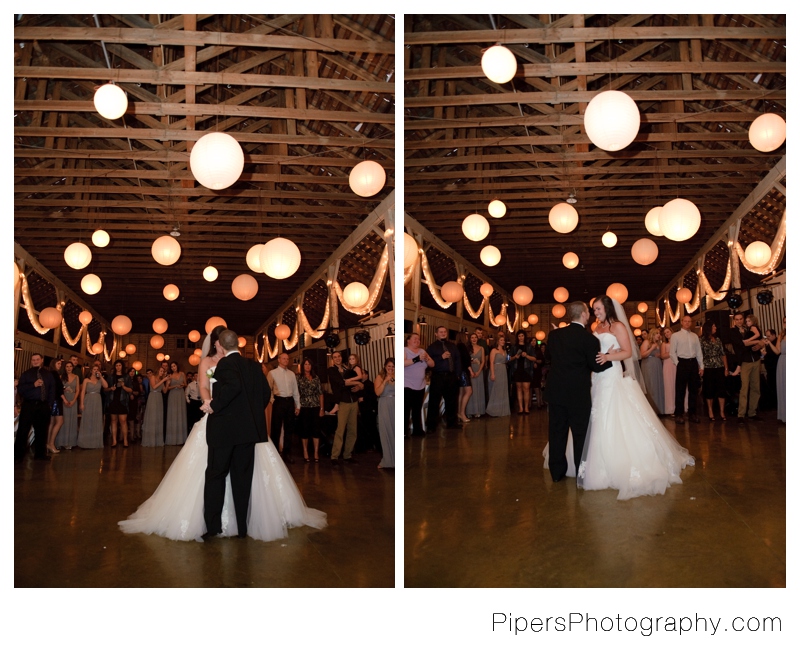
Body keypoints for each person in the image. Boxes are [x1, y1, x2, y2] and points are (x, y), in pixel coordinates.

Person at [119, 327, 326, 542]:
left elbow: (233, 387)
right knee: (243, 478)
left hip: (223, 429)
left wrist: (214, 406)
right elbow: (265, 393)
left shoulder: (226, 364)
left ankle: (213, 526)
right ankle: (243, 528)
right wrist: (251, 414)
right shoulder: (254, 365)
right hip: (249, 431)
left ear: (220, 345)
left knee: (216, 475)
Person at [576, 296, 695, 499]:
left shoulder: (619, 326)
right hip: (597, 376)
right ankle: (598, 461)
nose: (595, 313)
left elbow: (628, 353)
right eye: (593, 310)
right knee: (596, 415)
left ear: (607, 308)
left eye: (598, 309)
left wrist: (607, 356)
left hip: (611, 373)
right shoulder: (596, 326)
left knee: (612, 414)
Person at [544, 302, 611, 481]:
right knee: (581, 434)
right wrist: (611, 359)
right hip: (578, 393)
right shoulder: (589, 339)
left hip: (556, 391)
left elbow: (547, 358)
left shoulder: (554, 335)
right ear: (583, 314)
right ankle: (582, 474)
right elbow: (596, 367)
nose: (589, 313)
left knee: (557, 432)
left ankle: (557, 474)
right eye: (588, 311)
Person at [15, 353, 56, 461]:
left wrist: (50, 404)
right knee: (23, 430)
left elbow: (52, 389)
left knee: (42, 431)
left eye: (37, 359)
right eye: (33, 360)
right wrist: (33, 385)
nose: (35, 361)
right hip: (29, 405)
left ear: (42, 360)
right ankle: (17, 456)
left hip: (43, 406)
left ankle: (40, 454)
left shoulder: (48, 374)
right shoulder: (26, 374)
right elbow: (20, 389)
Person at [328, 350, 363, 464]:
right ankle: (334, 456)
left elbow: (359, 380)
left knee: (353, 430)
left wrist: (359, 386)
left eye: (339, 356)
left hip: (353, 401)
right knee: (340, 430)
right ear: (333, 359)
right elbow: (341, 383)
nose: (337, 358)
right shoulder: (332, 370)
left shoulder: (348, 369)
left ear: (341, 358)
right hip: (342, 402)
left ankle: (347, 454)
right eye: (335, 357)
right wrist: (357, 384)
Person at [729, 312, 763, 423]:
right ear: (734, 320)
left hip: (756, 360)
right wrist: (757, 341)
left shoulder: (749, 328)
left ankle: (752, 412)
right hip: (744, 362)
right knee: (744, 388)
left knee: (756, 387)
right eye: (737, 319)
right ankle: (741, 414)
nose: (739, 321)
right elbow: (741, 344)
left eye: (741, 319)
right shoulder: (733, 331)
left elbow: (761, 339)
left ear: (743, 319)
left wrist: (760, 344)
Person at [670, 314, 704, 424]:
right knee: (680, 390)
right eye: (685, 321)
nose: (687, 323)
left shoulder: (695, 336)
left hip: (693, 363)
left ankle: (692, 414)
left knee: (693, 390)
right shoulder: (675, 336)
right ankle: (679, 414)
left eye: (689, 321)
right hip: (682, 362)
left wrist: (701, 366)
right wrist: (678, 363)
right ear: (682, 322)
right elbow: (672, 352)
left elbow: (699, 352)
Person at [425, 326, 461, 431]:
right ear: (436, 334)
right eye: (441, 332)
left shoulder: (453, 346)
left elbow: (458, 360)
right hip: (438, 376)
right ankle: (431, 426)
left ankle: (452, 423)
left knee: (452, 401)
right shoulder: (431, 347)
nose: (443, 333)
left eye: (445, 331)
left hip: (451, 376)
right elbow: (428, 362)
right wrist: (441, 357)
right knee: (434, 402)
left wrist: (457, 374)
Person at [268, 352, 301, 463]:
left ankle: (287, 454)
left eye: (287, 359)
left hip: (289, 401)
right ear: (279, 359)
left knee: (289, 429)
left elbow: (295, 390)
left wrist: (298, 405)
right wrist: (273, 401)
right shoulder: (272, 373)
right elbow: (268, 389)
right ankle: (275, 453)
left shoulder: (291, 374)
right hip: (279, 401)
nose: (286, 360)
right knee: (276, 428)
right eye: (284, 358)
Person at [700, 321, 728, 421]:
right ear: (708, 328)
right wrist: (701, 367)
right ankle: (710, 410)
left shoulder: (718, 339)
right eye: (713, 326)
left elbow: (723, 354)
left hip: (719, 366)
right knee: (709, 390)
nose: (715, 327)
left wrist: (726, 368)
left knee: (721, 389)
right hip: (708, 367)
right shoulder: (702, 340)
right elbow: (700, 355)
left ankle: (721, 411)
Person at [297, 358, 324, 463]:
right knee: (305, 430)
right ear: (303, 366)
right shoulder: (298, 378)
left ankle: (316, 452)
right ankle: (305, 451)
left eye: (309, 364)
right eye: (306, 364)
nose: (307, 366)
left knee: (316, 430)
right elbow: (296, 393)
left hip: (315, 406)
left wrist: (322, 408)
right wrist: (297, 406)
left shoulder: (316, 378)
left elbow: (320, 393)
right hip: (304, 407)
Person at [404, 333, 430, 436]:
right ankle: (404, 432)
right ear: (408, 340)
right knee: (405, 409)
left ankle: (417, 430)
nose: (417, 340)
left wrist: (427, 358)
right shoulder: (404, 350)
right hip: (407, 384)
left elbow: (432, 364)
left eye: (419, 339)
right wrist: (416, 359)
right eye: (415, 338)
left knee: (417, 409)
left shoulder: (422, 351)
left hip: (420, 385)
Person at [77, 362, 108, 449]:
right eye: (94, 369)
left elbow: (106, 386)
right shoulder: (86, 380)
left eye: (97, 370)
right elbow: (83, 392)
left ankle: (94, 442)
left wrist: (101, 376)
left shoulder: (99, 380)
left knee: (96, 420)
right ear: (91, 371)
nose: (95, 371)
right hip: (88, 399)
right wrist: (81, 403)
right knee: (87, 420)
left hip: (97, 400)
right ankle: (85, 442)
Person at [105, 360, 133, 447]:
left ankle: (125, 440)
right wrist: (110, 389)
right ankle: (114, 441)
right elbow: (105, 389)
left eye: (119, 365)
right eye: (116, 365)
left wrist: (123, 386)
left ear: (122, 366)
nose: (118, 367)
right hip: (113, 400)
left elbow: (130, 390)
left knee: (123, 421)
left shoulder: (126, 377)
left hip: (123, 401)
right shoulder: (111, 377)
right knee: (113, 421)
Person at [763, 317, 786, 423]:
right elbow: (777, 351)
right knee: (783, 388)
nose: (786, 324)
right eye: (784, 322)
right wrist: (769, 343)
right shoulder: (781, 335)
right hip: (782, 362)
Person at [508, 330, 536, 414]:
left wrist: (526, 355)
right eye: (519, 336)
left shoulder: (529, 346)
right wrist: (515, 357)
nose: (521, 337)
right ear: (517, 337)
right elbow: (508, 358)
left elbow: (534, 358)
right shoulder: (514, 346)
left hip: (526, 370)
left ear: (524, 337)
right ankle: (520, 408)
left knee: (526, 389)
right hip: (517, 369)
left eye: (522, 336)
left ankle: (526, 408)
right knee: (519, 388)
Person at [375, 358, 395, 469]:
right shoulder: (380, 377)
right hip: (385, 404)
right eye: (389, 366)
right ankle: (387, 460)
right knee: (386, 431)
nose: (391, 368)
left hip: (396, 404)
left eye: (393, 366)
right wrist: (385, 381)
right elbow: (377, 392)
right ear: (385, 366)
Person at [640, 328, 665, 414]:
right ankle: (651, 410)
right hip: (649, 365)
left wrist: (660, 355)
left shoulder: (659, 343)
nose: (659, 335)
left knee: (658, 385)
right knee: (651, 386)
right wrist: (651, 349)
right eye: (657, 333)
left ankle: (659, 409)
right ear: (653, 334)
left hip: (657, 365)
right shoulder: (647, 342)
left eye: (659, 333)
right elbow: (642, 355)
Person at [141, 367, 168, 446]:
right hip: (153, 396)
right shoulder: (153, 377)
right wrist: (164, 379)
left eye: (163, 371)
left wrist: (167, 383)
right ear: (158, 371)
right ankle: (150, 440)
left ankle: (157, 440)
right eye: (161, 371)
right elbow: (154, 387)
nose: (162, 373)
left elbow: (165, 391)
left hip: (159, 397)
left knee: (158, 417)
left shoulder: (161, 380)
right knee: (152, 417)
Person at [485, 333, 511, 417]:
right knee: (495, 390)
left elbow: (506, 361)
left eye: (503, 340)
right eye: (501, 340)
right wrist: (492, 373)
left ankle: (502, 409)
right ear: (497, 341)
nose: (503, 342)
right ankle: (494, 410)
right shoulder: (494, 350)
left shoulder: (504, 351)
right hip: (496, 369)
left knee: (502, 390)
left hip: (503, 370)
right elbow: (491, 362)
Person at [56, 360, 79, 450]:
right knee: (63, 420)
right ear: (64, 368)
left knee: (72, 420)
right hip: (63, 399)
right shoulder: (61, 377)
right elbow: (58, 389)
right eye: (67, 366)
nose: (69, 368)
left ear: (73, 368)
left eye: (70, 366)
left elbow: (78, 390)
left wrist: (74, 400)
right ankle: (61, 441)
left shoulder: (76, 377)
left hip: (73, 398)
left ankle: (70, 442)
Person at [165, 362, 188, 444]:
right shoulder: (170, 376)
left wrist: (182, 384)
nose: (173, 368)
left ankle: (181, 439)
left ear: (177, 366)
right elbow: (167, 388)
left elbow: (186, 384)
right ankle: (172, 439)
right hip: (173, 395)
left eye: (174, 366)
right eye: (171, 367)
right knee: (173, 414)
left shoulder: (182, 374)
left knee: (181, 414)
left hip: (181, 394)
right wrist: (175, 386)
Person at [45, 358, 65, 455]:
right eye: (58, 363)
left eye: (60, 364)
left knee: (52, 422)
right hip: (56, 400)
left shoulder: (50, 373)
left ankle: (48, 443)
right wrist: (64, 399)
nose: (60, 365)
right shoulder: (55, 374)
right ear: (54, 364)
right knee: (60, 421)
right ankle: (51, 443)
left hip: (52, 400)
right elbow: (58, 389)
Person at [465, 331, 485, 418]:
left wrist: (479, 371)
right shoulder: (467, 348)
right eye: (472, 337)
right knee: (471, 390)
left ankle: (478, 410)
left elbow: (483, 361)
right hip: (470, 370)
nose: (474, 339)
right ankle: (469, 411)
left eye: (475, 337)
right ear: (470, 339)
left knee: (478, 389)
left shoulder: (481, 348)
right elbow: (465, 360)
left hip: (478, 370)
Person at [455, 332, 473, 423]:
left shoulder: (456, 346)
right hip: (463, 371)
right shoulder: (462, 346)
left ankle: (458, 412)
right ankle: (462, 413)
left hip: (458, 371)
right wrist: (471, 370)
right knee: (469, 391)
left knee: (461, 393)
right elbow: (466, 360)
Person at [126, 367, 142, 442]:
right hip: (126, 401)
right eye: (131, 371)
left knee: (132, 418)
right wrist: (130, 394)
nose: (132, 373)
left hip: (133, 402)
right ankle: (123, 437)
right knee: (125, 419)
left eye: (133, 371)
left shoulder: (136, 382)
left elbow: (138, 392)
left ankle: (132, 436)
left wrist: (133, 393)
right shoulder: (125, 381)